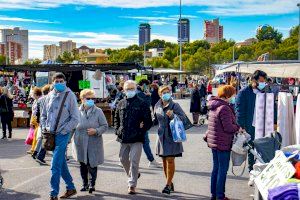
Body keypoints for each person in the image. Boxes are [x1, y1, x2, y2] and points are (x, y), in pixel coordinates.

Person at [40, 73, 80, 200]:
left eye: (61, 81)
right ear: (53, 82)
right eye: (56, 81)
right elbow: (43, 115)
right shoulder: (48, 97)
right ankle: (71, 187)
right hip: (50, 135)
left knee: (55, 164)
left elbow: (75, 118)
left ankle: (53, 193)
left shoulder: (70, 96)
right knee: (61, 163)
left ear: (65, 82)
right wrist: (44, 128)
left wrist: (64, 130)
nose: (59, 83)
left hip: (63, 135)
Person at [114, 80, 152, 195]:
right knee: (123, 159)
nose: (130, 91)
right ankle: (134, 174)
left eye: (132, 88)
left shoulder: (142, 103)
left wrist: (142, 129)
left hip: (137, 138)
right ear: (124, 90)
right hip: (124, 137)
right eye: (127, 89)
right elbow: (116, 118)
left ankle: (132, 184)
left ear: (135, 89)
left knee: (134, 161)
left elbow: (149, 122)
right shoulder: (120, 103)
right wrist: (117, 130)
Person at [205, 85, 239, 200]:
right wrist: (238, 128)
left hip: (214, 142)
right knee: (222, 170)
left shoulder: (214, 105)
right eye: (233, 94)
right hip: (223, 142)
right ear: (228, 95)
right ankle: (220, 196)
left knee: (216, 169)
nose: (234, 96)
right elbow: (228, 127)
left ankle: (214, 195)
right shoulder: (224, 108)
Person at [72, 89, 108, 193]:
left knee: (92, 164)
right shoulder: (76, 111)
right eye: (88, 98)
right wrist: (67, 140)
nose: (91, 100)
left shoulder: (98, 111)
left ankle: (92, 184)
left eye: (93, 98)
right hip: (80, 141)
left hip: (94, 141)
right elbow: (72, 127)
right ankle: (85, 184)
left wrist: (96, 131)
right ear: (82, 99)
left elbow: (105, 126)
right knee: (82, 164)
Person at [154, 85, 186, 195]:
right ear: (160, 94)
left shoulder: (175, 105)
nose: (166, 94)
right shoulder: (157, 105)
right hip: (161, 136)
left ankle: (167, 185)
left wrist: (173, 115)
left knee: (170, 160)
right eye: (164, 92)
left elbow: (183, 118)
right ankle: (170, 181)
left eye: (168, 92)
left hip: (172, 135)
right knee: (164, 160)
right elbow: (154, 119)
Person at [235, 70, 268, 172]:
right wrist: (242, 127)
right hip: (249, 126)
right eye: (261, 81)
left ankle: (262, 168)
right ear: (254, 80)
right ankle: (251, 170)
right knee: (251, 149)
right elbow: (239, 111)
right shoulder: (243, 93)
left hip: (262, 125)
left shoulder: (264, 92)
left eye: (264, 82)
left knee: (262, 148)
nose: (263, 84)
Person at [137, 81, 161, 168]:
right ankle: (151, 160)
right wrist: (148, 96)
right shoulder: (140, 94)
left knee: (142, 142)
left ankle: (151, 160)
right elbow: (146, 105)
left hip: (140, 122)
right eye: (146, 86)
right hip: (141, 123)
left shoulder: (138, 93)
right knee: (144, 142)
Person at [34, 84, 51, 164]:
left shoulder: (40, 99)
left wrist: (38, 121)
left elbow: (37, 112)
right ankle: (39, 156)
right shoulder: (50, 98)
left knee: (42, 138)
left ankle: (36, 153)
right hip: (49, 122)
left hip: (42, 121)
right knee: (47, 139)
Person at [28, 87, 43, 155]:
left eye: (33, 93)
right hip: (35, 119)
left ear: (36, 94)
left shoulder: (41, 100)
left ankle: (35, 149)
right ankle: (33, 148)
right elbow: (33, 112)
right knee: (35, 135)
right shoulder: (35, 101)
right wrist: (31, 120)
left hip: (39, 120)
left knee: (37, 136)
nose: (32, 95)